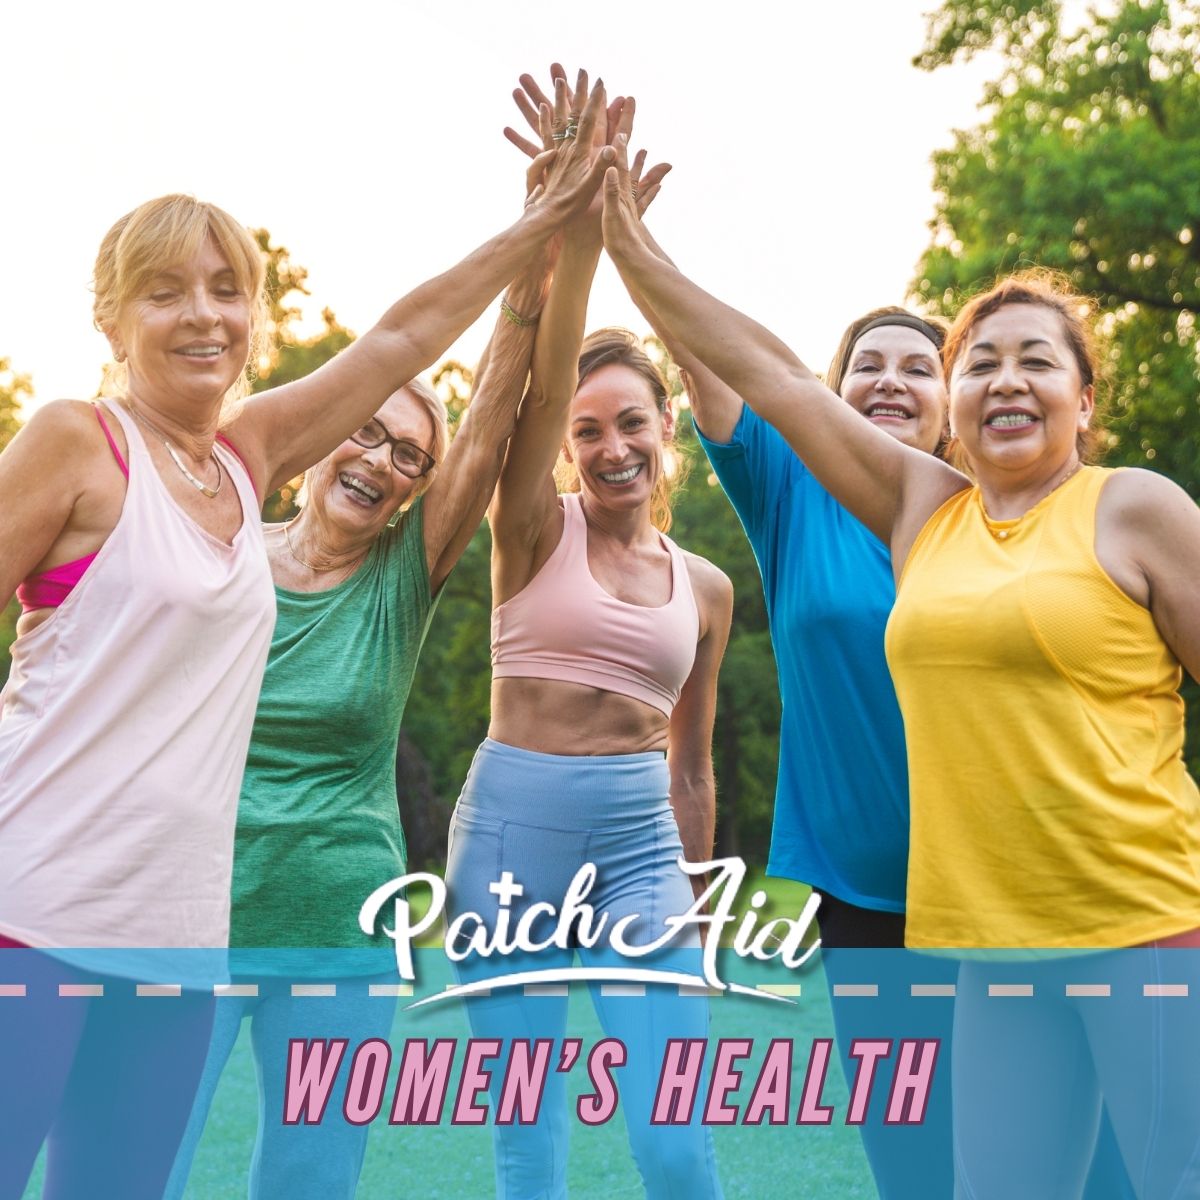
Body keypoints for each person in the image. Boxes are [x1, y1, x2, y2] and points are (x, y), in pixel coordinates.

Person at [0, 101, 614, 1199]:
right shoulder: (72, 441)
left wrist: (546, 227)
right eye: (167, 291)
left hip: (180, 939)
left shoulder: (243, 460)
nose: (204, 316)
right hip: (34, 910)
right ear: (109, 318)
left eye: (227, 291)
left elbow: (396, 342)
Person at [600, 146, 1200, 1196]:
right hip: (982, 943)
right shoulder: (926, 515)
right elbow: (777, 379)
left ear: (1084, 398)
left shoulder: (1134, 507)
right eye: (981, 361)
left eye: (1035, 360)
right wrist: (631, 248)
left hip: (1137, 922)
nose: (1005, 378)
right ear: (959, 406)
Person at [164, 161, 563, 1198]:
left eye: (407, 457)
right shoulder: (218, 548)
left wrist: (537, 254)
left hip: (340, 921)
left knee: (310, 1174)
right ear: (313, 439)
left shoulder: (402, 576)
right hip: (189, 912)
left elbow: (486, 427)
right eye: (367, 430)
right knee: (136, 1157)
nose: (381, 459)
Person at [444, 69, 730, 1199]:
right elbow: (546, 366)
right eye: (589, 429)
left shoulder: (705, 588)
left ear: (668, 437)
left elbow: (694, 769)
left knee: (672, 1131)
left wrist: (699, 901)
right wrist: (576, 230)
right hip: (509, 838)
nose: (613, 446)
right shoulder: (529, 528)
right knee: (529, 1138)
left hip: (643, 855)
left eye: (634, 425)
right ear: (565, 447)